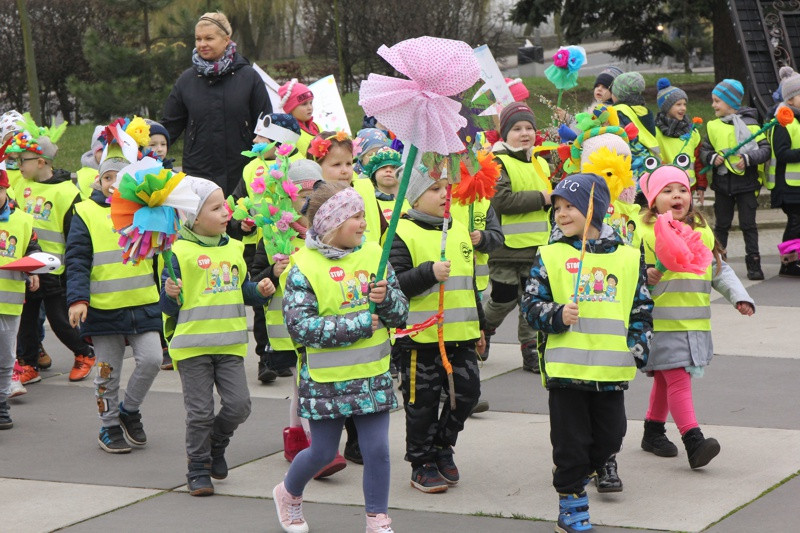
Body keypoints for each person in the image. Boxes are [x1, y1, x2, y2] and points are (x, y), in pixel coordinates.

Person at [520, 173, 653, 533]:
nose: (561, 214)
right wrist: (556, 314)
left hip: (611, 372)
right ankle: (571, 499)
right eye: (557, 207)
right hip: (567, 372)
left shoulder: (627, 256)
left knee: (610, 438)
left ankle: (581, 469)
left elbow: (640, 307)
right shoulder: (550, 254)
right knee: (571, 443)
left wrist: (640, 346)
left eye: (570, 206)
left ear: (595, 209)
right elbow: (530, 304)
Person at [272, 182, 408, 533]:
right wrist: (363, 321)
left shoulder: (374, 255)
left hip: (372, 373)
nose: (364, 223)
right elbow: (302, 328)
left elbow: (399, 312)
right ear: (331, 223)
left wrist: (387, 299)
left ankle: (377, 519)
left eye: (364, 215)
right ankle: (288, 493)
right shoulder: (303, 267)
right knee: (321, 452)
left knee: (377, 449)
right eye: (356, 216)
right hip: (325, 380)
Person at [160, 177, 275, 496]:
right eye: (216, 207)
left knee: (239, 405)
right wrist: (170, 292)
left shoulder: (236, 248)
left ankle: (216, 443)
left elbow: (243, 291)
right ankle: (198, 467)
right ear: (193, 218)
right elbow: (168, 306)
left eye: (225, 205)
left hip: (230, 345)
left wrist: (260, 290)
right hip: (192, 348)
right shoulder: (177, 252)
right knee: (199, 412)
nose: (226, 211)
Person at [637, 161, 754, 470]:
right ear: (652, 199)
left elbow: (718, 269)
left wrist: (739, 296)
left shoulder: (700, 230)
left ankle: (652, 431)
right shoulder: (644, 231)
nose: (678, 195)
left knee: (667, 377)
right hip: (660, 322)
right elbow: (622, 268)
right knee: (677, 378)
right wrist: (643, 273)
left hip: (694, 323)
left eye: (682, 190)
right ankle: (694, 441)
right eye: (668, 190)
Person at [390, 165, 485, 494]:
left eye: (447, 187)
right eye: (434, 189)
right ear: (414, 197)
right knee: (422, 404)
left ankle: (443, 445)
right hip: (420, 338)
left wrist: (481, 325)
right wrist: (428, 273)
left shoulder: (457, 228)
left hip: (462, 334)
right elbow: (396, 284)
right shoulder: (401, 231)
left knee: (467, 395)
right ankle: (421, 462)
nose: (445, 194)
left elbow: (468, 283)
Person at [65, 157, 162, 454]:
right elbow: (77, 258)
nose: (112, 184)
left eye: (119, 178)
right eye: (108, 178)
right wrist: (78, 299)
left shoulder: (146, 210)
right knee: (108, 372)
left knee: (152, 360)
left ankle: (129, 410)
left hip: (143, 304)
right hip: (103, 309)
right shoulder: (85, 212)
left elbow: (163, 251)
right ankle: (108, 426)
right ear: (99, 181)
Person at [7, 120, 95, 384]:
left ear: (42, 162)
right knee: (27, 318)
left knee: (58, 318)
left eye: (23, 160)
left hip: (55, 268)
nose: (19, 166)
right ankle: (28, 363)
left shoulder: (67, 192)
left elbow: (75, 234)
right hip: (27, 264)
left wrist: (72, 268)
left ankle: (84, 353)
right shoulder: (21, 186)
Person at [161, 11, 272, 196]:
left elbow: (266, 124)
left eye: (209, 38)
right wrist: (146, 151)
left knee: (239, 223)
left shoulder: (249, 77)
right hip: (199, 172)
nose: (202, 44)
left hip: (242, 170)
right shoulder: (186, 80)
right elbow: (169, 127)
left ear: (226, 39)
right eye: (198, 39)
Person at [229, 113, 304, 384]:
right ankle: (266, 357)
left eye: (262, 137)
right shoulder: (251, 169)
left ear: (280, 141)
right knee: (264, 300)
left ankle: (293, 350)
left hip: (294, 242)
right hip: (260, 247)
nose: (255, 140)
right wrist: (242, 224)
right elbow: (237, 204)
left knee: (293, 299)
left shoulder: (298, 167)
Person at [485, 102, 552, 370]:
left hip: (536, 247)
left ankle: (531, 351)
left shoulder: (541, 163)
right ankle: (484, 330)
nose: (524, 133)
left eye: (529, 128)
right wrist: (542, 198)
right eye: (516, 128)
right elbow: (500, 200)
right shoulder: (497, 162)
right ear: (504, 134)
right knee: (502, 299)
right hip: (505, 248)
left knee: (530, 300)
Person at [699, 78, 771, 280]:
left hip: (746, 185)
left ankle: (754, 263)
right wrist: (713, 158)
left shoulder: (752, 126)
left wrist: (748, 159)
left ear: (730, 103)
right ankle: (719, 263)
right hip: (723, 186)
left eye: (717, 101)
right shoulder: (713, 126)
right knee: (721, 225)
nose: (713, 105)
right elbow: (705, 150)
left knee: (749, 225)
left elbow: (765, 150)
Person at [0, 168, 40, 424]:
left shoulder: (23, 220)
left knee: (5, 358)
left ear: (5, 191)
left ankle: (2, 403)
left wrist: (34, 270)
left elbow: (32, 248)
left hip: (9, 301)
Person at [766, 67, 800, 277]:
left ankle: (794, 259)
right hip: (787, 186)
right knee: (795, 222)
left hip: (796, 185)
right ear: (790, 100)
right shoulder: (783, 122)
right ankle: (788, 263)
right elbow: (782, 153)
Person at [611, 71, 661, 165]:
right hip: (651, 160)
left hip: (632, 162)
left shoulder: (618, 111)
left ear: (620, 94)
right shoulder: (644, 110)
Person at [278, 79, 320, 158]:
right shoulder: (289, 133)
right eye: (304, 104)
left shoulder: (317, 127)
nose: (310, 107)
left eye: (311, 103)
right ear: (290, 108)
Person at [362, 146, 406, 219]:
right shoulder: (367, 202)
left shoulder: (413, 201)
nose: (388, 170)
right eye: (383, 167)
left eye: (394, 167)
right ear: (373, 174)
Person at [75, 126, 104, 200]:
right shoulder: (86, 173)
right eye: (102, 150)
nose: (105, 153)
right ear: (94, 152)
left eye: (109, 150)